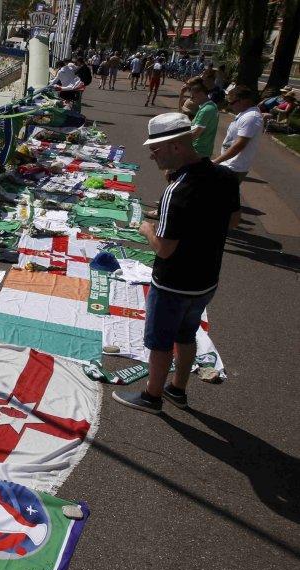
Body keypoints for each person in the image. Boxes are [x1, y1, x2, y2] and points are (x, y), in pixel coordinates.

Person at [112, 113, 240, 414]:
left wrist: (146, 229)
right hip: (206, 278)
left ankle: (152, 396)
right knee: (187, 334)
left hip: (173, 282)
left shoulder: (177, 190)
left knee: (160, 340)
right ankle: (178, 389)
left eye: (156, 150)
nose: (152, 156)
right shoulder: (225, 176)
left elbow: (164, 249)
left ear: (177, 147)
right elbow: (234, 219)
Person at [213, 85, 262, 183]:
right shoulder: (244, 113)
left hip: (234, 167)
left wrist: (216, 161)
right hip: (229, 164)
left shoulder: (251, 117)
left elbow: (240, 145)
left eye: (231, 102)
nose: (229, 105)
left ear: (243, 100)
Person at [188, 79, 219, 158]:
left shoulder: (206, 110)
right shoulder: (211, 106)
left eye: (192, 96)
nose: (191, 99)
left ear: (201, 94)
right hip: (203, 149)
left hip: (198, 150)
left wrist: (182, 145)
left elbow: (196, 133)